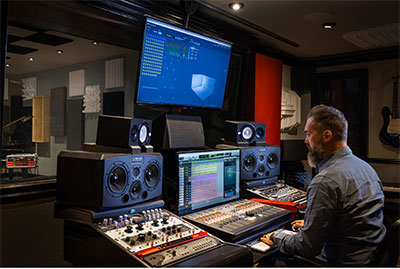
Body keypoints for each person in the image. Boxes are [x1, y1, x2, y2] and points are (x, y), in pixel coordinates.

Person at [261, 104, 386, 266]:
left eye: (308, 134)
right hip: (368, 259)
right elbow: (352, 220)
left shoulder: (325, 181)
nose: (306, 141)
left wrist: (276, 236)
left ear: (326, 136)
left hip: (340, 263)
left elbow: (307, 247)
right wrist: (311, 226)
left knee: (268, 262)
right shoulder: (366, 169)